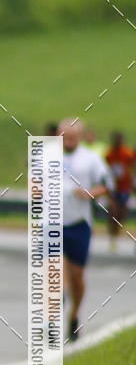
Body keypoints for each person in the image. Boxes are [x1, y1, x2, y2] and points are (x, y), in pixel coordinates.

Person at [59, 118, 112, 341]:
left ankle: (74, 314)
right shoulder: (46, 156)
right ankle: (58, 296)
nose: (69, 141)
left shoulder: (91, 159)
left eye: (73, 137)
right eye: (65, 136)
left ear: (80, 137)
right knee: (57, 269)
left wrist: (91, 193)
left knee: (77, 276)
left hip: (80, 223)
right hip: (52, 222)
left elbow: (106, 185)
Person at [105, 131, 134, 251]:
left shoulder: (127, 153)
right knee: (113, 212)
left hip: (125, 187)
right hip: (113, 188)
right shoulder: (109, 154)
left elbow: (132, 166)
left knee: (122, 212)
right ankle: (113, 237)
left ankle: (117, 230)